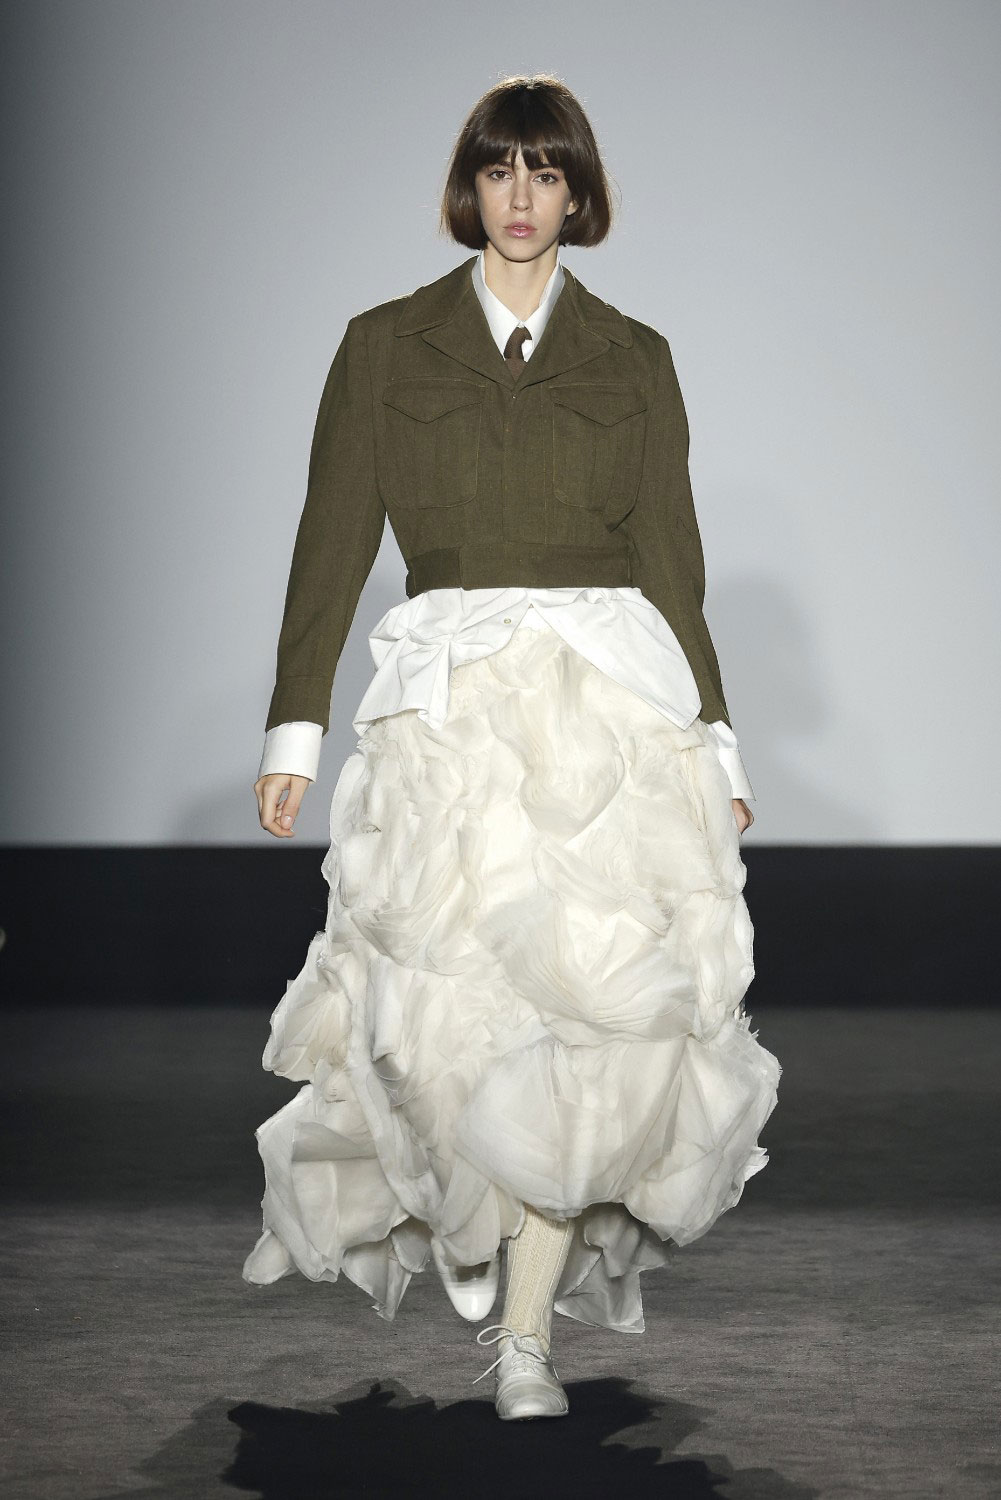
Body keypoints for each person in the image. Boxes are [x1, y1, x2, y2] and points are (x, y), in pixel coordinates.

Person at [244, 73, 781, 1423]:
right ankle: (466, 1219)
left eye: (547, 172)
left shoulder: (634, 356)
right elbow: (330, 541)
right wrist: (296, 724)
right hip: (449, 712)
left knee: (582, 1025)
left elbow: (673, 561)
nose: (523, 196)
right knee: (437, 1020)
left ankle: (527, 1335)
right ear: (470, 188)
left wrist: (716, 746)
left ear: (579, 192)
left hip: (606, 712)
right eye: (501, 170)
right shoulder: (385, 347)